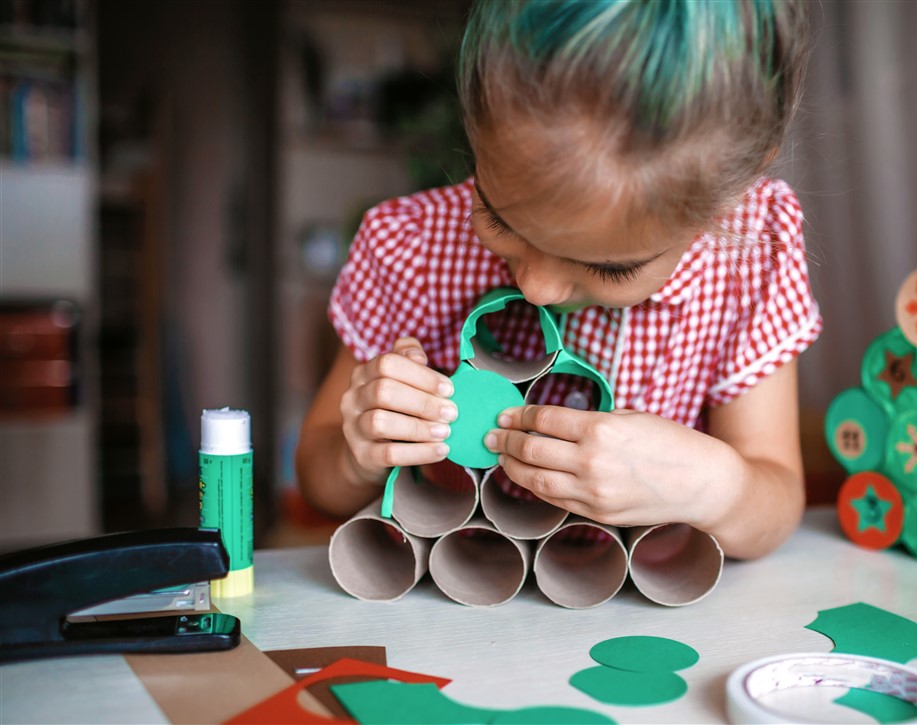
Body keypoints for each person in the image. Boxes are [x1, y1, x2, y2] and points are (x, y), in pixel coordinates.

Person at [296, 0, 821, 560]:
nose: (537, 289)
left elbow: (775, 501)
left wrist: (715, 486)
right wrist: (357, 453)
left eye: (609, 267)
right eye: (499, 219)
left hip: (647, 607)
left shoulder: (750, 252)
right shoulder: (409, 247)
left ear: (729, 197)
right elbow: (317, 475)